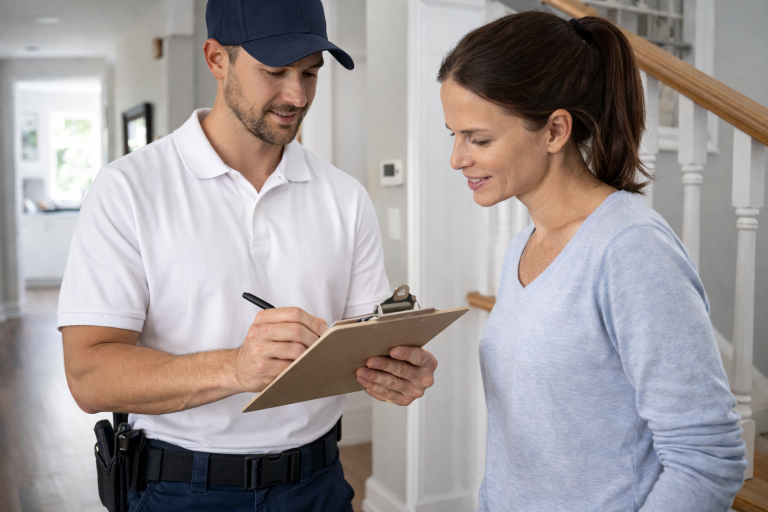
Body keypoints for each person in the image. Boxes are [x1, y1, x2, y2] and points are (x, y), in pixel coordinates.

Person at [59, 1, 438, 510]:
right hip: (179, 489)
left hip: (318, 483)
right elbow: (88, 376)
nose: (297, 94)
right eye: (274, 71)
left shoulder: (345, 197)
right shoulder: (128, 189)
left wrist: (393, 370)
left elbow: (358, 342)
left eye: (310, 72)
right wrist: (235, 369)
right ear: (217, 59)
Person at [438, 11, 747, 512]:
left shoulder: (631, 249)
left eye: (479, 139)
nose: (457, 158)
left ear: (556, 130)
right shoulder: (523, 246)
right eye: (452, 134)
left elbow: (708, 459)